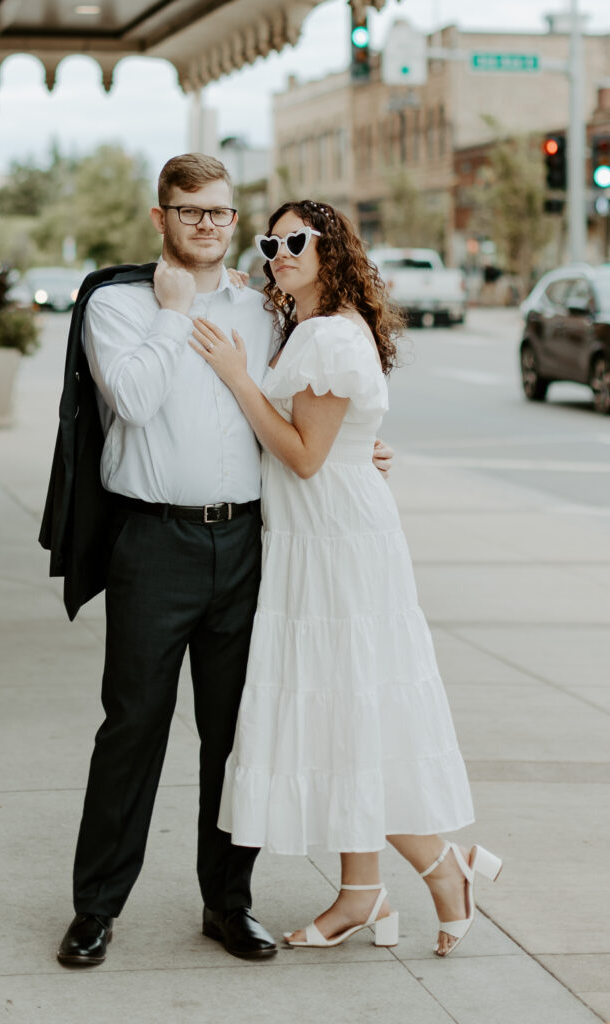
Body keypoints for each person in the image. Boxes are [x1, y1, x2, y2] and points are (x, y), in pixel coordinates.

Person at [55, 156, 394, 968]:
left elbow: (298, 406)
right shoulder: (115, 304)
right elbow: (130, 401)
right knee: (131, 728)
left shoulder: (262, 307)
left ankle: (226, 903)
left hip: (246, 543)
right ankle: (96, 909)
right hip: (152, 542)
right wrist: (173, 315)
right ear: (159, 216)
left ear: (232, 220)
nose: (205, 225)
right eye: (188, 211)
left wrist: (356, 450)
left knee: (232, 736)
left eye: (218, 212)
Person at [189, 199, 501, 958]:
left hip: (334, 544)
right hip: (318, 535)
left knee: (348, 717)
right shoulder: (317, 329)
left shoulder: (326, 335)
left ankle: (440, 865)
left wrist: (236, 376)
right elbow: (332, 440)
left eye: (295, 240)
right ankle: (362, 893)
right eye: (270, 242)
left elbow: (301, 454)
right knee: (342, 716)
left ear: (331, 249)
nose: (278, 252)